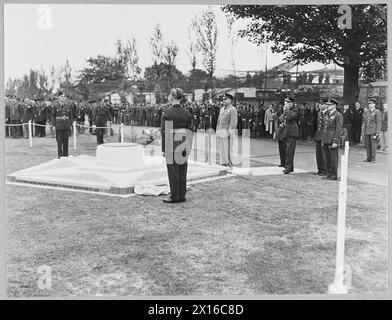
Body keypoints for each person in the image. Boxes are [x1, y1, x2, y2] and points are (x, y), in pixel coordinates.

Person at [161, 88, 193, 203]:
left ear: (171, 97)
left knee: (173, 171)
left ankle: (175, 196)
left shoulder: (168, 112)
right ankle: (182, 195)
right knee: (182, 170)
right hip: (184, 142)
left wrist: (164, 149)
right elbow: (190, 130)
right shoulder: (186, 113)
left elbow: (165, 132)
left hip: (171, 143)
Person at [321, 98, 343, 180]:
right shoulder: (327, 114)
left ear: (334, 106)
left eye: (330, 105)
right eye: (327, 104)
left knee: (333, 158)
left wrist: (335, 141)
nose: (328, 106)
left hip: (332, 138)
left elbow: (338, 129)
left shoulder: (338, 115)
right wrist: (323, 139)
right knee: (327, 157)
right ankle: (329, 173)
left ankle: (334, 174)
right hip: (326, 138)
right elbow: (325, 128)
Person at [216, 93, 238, 168]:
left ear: (230, 100)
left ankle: (230, 165)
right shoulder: (222, 109)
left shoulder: (232, 109)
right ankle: (224, 164)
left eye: (225, 99)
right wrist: (217, 130)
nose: (223, 101)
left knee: (228, 149)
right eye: (223, 99)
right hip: (221, 131)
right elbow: (219, 121)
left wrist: (230, 131)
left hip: (227, 132)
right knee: (222, 149)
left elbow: (233, 122)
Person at [52, 92, 74, 158]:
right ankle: (60, 155)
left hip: (66, 125)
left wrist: (71, 124)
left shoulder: (68, 106)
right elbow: (53, 116)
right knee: (59, 141)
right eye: (61, 97)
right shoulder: (55, 106)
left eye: (64, 97)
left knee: (66, 141)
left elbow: (70, 116)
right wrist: (53, 125)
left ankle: (65, 154)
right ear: (59, 98)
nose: (63, 98)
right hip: (59, 126)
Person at [282, 96, 299, 174]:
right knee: (286, 150)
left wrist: (287, 109)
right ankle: (289, 167)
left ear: (292, 103)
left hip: (292, 132)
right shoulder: (287, 110)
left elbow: (289, 117)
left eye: (288, 102)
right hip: (287, 131)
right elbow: (283, 118)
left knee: (290, 151)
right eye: (286, 102)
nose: (287, 104)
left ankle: (288, 167)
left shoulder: (295, 109)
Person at [362, 98, 382, 163]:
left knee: (373, 145)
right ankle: (368, 158)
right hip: (367, 131)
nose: (369, 105)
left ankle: (373, 158)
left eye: (370, 104)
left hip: (373, 131)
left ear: (374, 104)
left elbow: (379, 123)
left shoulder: (377, 111)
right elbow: (365, 122)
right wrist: (363, 131)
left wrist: (377, 132)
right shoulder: (367, 112)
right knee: (368, 145)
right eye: (368, 104)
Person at [313, 99, 328, 176]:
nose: (320, 105)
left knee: (323, 154)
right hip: (318, 134)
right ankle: (320, 169)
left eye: (321, 104)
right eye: (320, 104)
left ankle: (325, 170)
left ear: (325, 105)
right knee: (318, 154)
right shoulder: (319, 113)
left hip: (324, 135)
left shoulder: (328, 113)